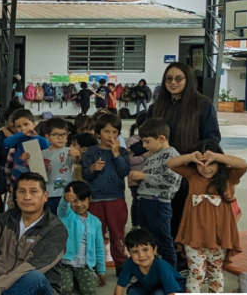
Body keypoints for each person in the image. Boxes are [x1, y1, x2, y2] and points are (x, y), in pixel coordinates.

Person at [150, 62, 222, 252]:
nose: (173, 83)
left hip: (190, 173)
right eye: (169, 78)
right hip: (161, 172)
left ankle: (185, 259)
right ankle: (166, 257)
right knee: (162, 216)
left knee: (185, 217)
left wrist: (197, 159)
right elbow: (145, 136)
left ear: (187, 80)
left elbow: (212, 138)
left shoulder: (203, 105)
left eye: (178, 78)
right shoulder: (156, 107)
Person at [168, 141, 247, 294]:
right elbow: (171, 163)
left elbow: (243, 164)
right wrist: (191, 157)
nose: (206, 168)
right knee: (196, 273)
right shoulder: (192, 176)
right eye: (201, 164)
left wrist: (216, 156)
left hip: (218, 238)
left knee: (215, 273)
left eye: (211, 163)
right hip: (193, 237)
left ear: (220, 162)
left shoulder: (229, 178)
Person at [103, 228, 183, 295]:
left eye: (145, 250)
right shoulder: (129, 264)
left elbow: (171, 294)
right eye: (135, 252)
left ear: (154, 250)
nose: (141, 255)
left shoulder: (162, 267)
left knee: (159, 294)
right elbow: (120, 286)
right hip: (149, 286)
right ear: (129, 253)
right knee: (132, 292)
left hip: (175, 291)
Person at [129, 117, 182, 268]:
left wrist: (144, 176)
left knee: (163, 240)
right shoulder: (152, 155)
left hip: (159, 203)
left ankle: (170, 273)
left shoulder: (171, 155)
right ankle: (152, 269)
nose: (144, 146)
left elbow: (169, 181)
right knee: (147, 240)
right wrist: (140, 180)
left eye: (147, 142)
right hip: (145, 201)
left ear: (161, 138)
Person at [81, 113, 130, 272]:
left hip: (116, 199)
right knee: (95, 234)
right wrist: (92, 168)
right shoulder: (90, 152)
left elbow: (125, 172)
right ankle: (94, 265)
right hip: (95, 200)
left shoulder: (122, 152)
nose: (111, 136)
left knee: (117, 233)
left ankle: (121, 265)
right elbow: (85, 175)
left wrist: (116, 155)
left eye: (115, 132)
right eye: (107, 132)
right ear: (98, 133)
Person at [56, 181, 106, 295]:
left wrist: (101, 271)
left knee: (90, 293)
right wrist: (65, 199)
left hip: (84, 265)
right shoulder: (67, 215)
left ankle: (77, 279)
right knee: (65, 290)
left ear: (89, 199)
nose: (79, 204)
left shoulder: (96, 222)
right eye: (74, 201)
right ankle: (68, 278)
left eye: (82, 200)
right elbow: (62, 208)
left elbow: (99, 247)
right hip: (65, 263)